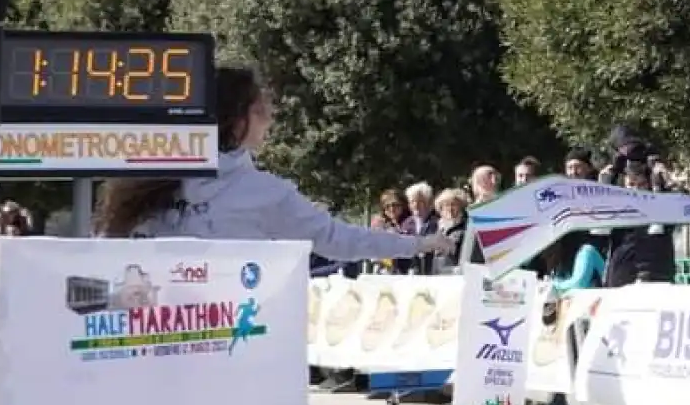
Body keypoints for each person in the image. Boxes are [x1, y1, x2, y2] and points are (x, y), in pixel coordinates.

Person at [96, 66, 456, 270]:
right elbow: (338, 240)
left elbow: (103, 255)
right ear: (236, 119)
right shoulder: (268, 194)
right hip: (223, 348)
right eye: (262, 111)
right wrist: (419, 243)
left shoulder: (142, 182)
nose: (269, 121)